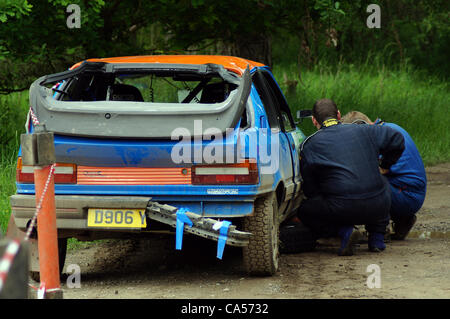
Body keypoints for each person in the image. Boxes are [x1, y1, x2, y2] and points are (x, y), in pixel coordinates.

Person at [297, 99, 405, 255]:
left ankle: (344, 231)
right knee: (381, 184)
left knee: (305, 210)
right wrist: (385, 166)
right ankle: (377, 239)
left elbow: (310, 188)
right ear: (339, 115)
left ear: (314, 120)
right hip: (379, 205)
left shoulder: (310, 145)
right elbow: (397, 139)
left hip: (343, 208)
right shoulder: (366, 130)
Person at [341, 111, 427, 240]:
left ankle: (379, 231)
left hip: (407, 196)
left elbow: (368, 173)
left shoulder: (378, 138)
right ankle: (402, 219)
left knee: (364, 184)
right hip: (412, 192)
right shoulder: (389, 128)